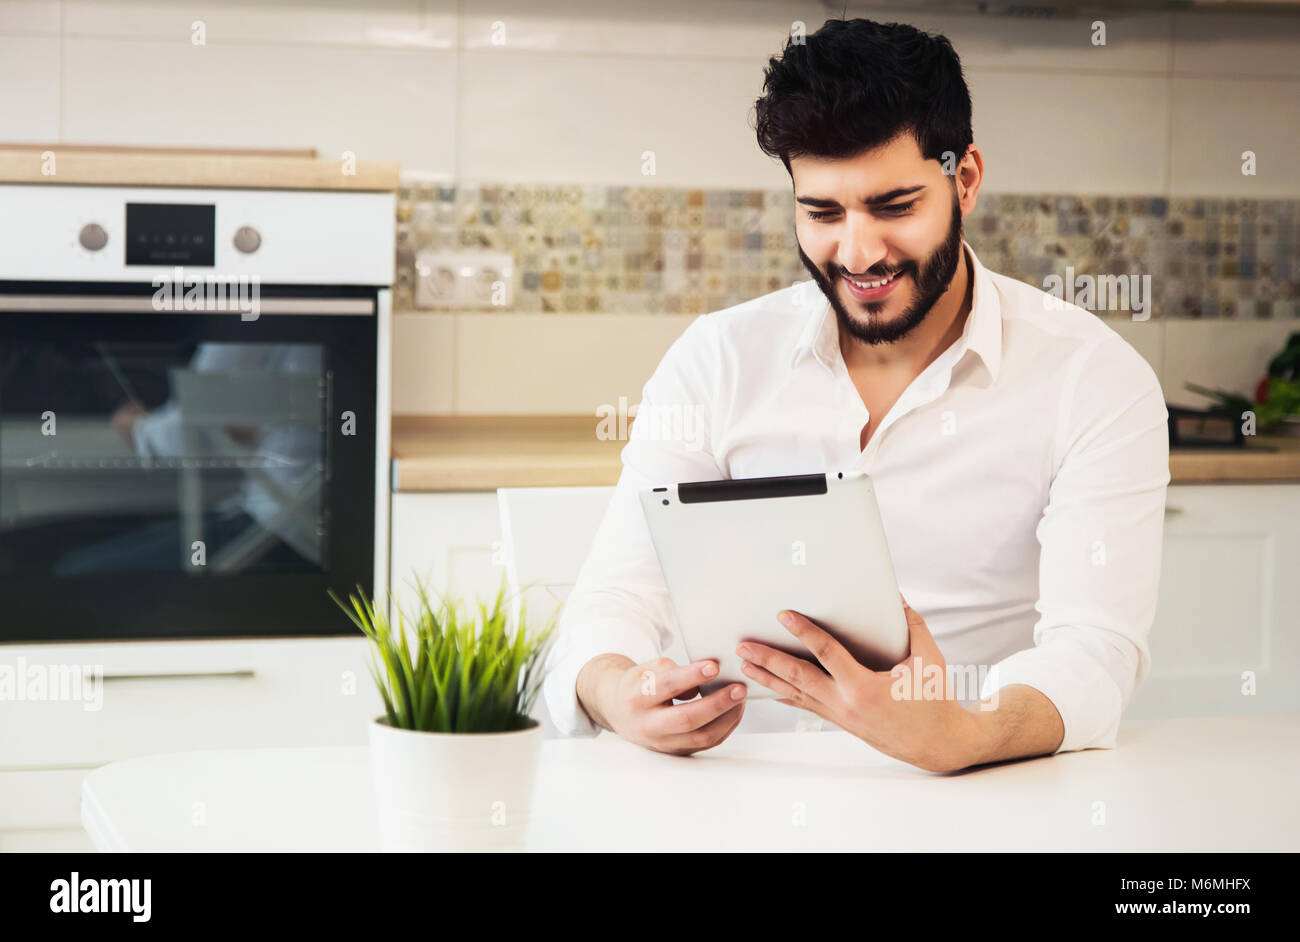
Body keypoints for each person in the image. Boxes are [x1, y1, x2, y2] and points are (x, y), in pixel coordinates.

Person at [542, 18, 1169, 772]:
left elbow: (1096, 653)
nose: (859, 252)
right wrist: (615, 692)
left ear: (964, 178)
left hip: (978, 797)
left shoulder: (1094, 378)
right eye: (824, 214)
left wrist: (960, 736)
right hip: (737, 793)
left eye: (894, 206)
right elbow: (617, 596)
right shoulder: (717, 360)